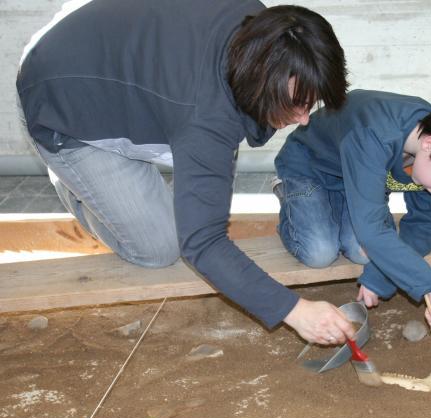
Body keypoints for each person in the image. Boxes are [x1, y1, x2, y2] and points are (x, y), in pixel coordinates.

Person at [16, 0, 357, 346]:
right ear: (261, 79)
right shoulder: (205, 117)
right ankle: (74, 180)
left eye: (310, 102)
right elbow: (203, 244)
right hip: (59, 99)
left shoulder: (267, 29)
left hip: (109, 55)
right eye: (297, 103)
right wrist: (295, 311)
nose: (303, 119)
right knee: (163, 247)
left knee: (198, 184)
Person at [273, 89, 431, 347]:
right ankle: (291, 207)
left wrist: (380, 275)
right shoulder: (375, 134)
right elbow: (373, 231)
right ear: (430, 145)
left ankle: (344, 210)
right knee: (319, 252)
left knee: (362, 252)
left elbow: (427, 223)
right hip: (308, 170)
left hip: (354, 184)